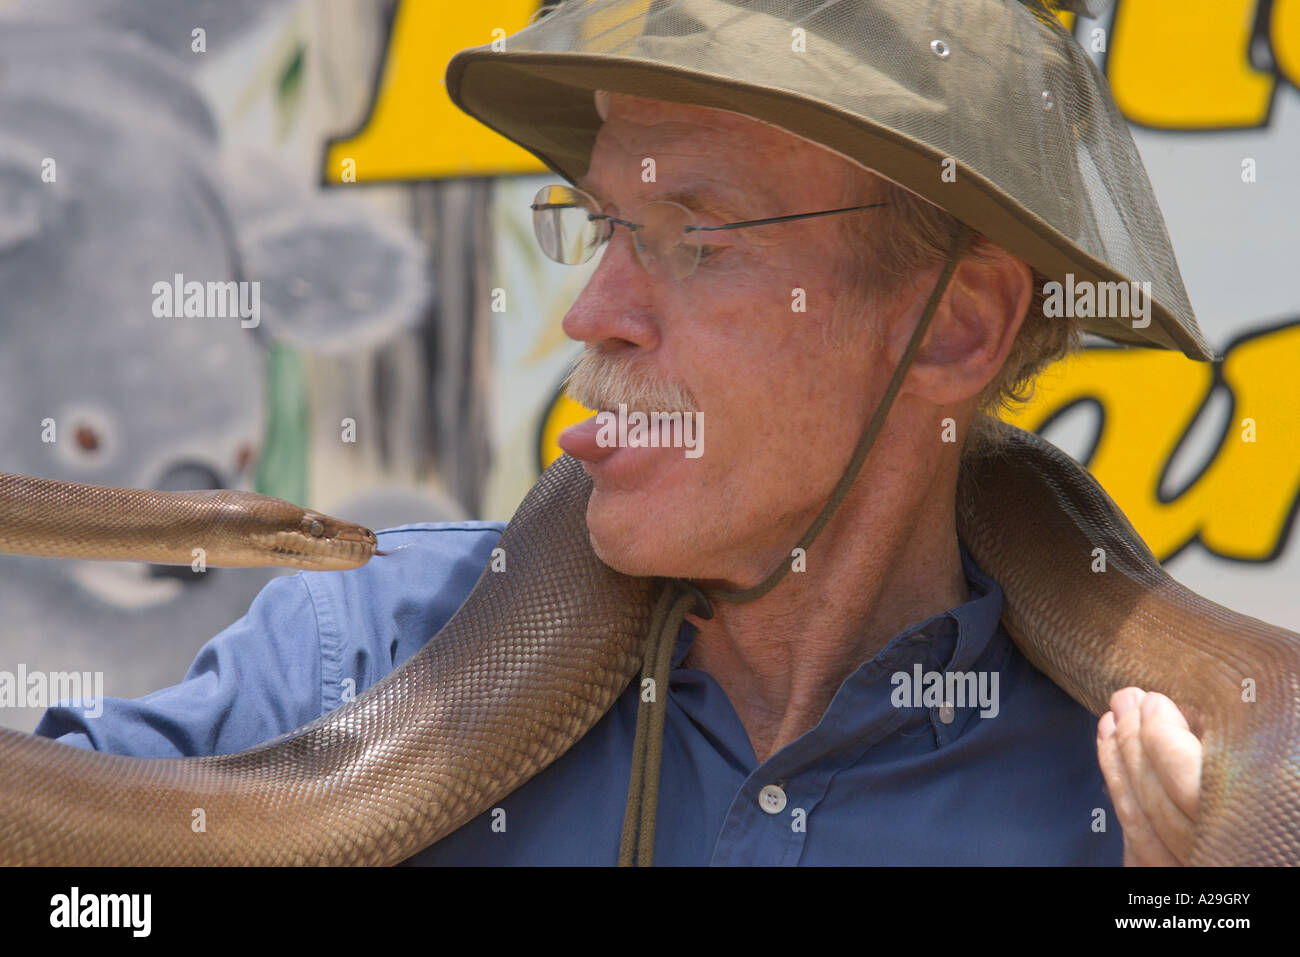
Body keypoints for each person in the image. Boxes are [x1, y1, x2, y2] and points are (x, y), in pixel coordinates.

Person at [38, 0, 1207, 865]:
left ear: (956, 325)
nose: (591, 315)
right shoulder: (360, 651)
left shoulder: (1160, 795)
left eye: (698, 241)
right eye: (603, 227)